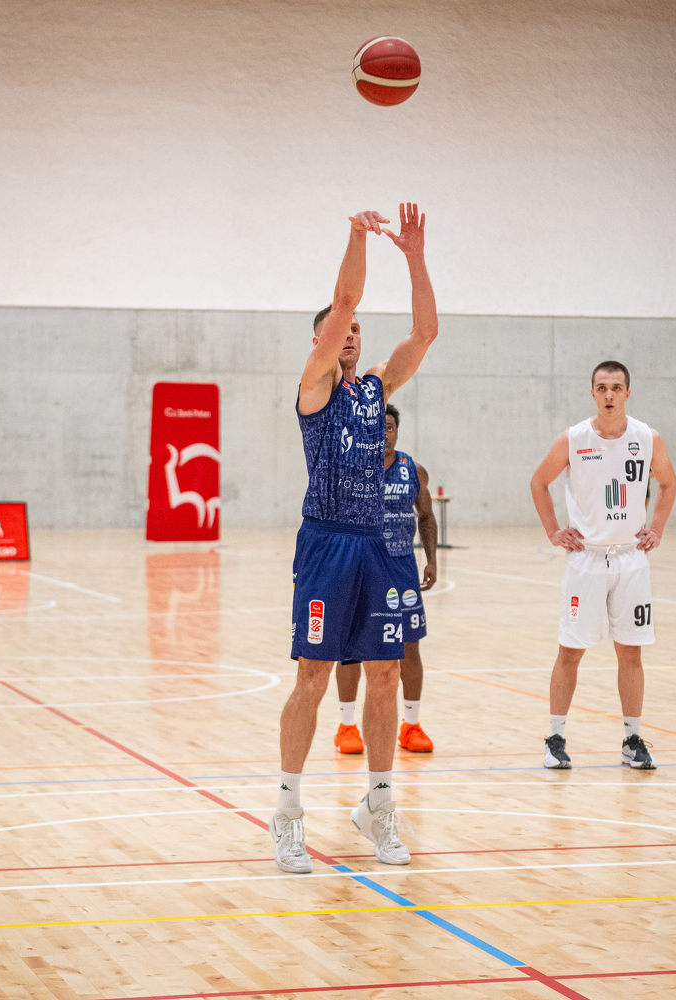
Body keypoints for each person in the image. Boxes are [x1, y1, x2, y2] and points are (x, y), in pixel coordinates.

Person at [274, 204, 437, 875]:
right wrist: (357, 235)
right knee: (312, 677)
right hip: (327, 544)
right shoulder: (315, 386)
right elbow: (344, 301)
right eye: (340, 329)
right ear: (321, 340)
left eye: (357, 331)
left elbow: (424, 332)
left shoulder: (376, 388)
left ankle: (379, 804)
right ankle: (287, 813)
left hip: (379, 546)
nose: (350, 333)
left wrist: (415, 256)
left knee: (386, 674)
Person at [529, 360, 676, 772]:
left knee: (631, 652)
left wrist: (657, 529)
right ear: (592, 393)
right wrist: (554, 530)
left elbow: (668, 483)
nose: (609, 395)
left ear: (628, 393)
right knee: (570, 651)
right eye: (602, 388)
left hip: (631, 559)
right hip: (587, 560)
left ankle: (632, 740)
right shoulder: (574, 439)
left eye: (616, 388)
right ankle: (556, 739)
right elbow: (538, 482)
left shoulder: (647, 438)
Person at [332, 404, 438, 755]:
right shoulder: (351, 468)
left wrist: (432, 560)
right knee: (351, 648)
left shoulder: (413, 470)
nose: (385, 433)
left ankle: (411, 725)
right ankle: (347, 726)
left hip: (401, 567)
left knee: (409, 646)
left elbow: (426, 516)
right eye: (378, 427)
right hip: (360, 568)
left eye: (390, 427)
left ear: (396, 431)